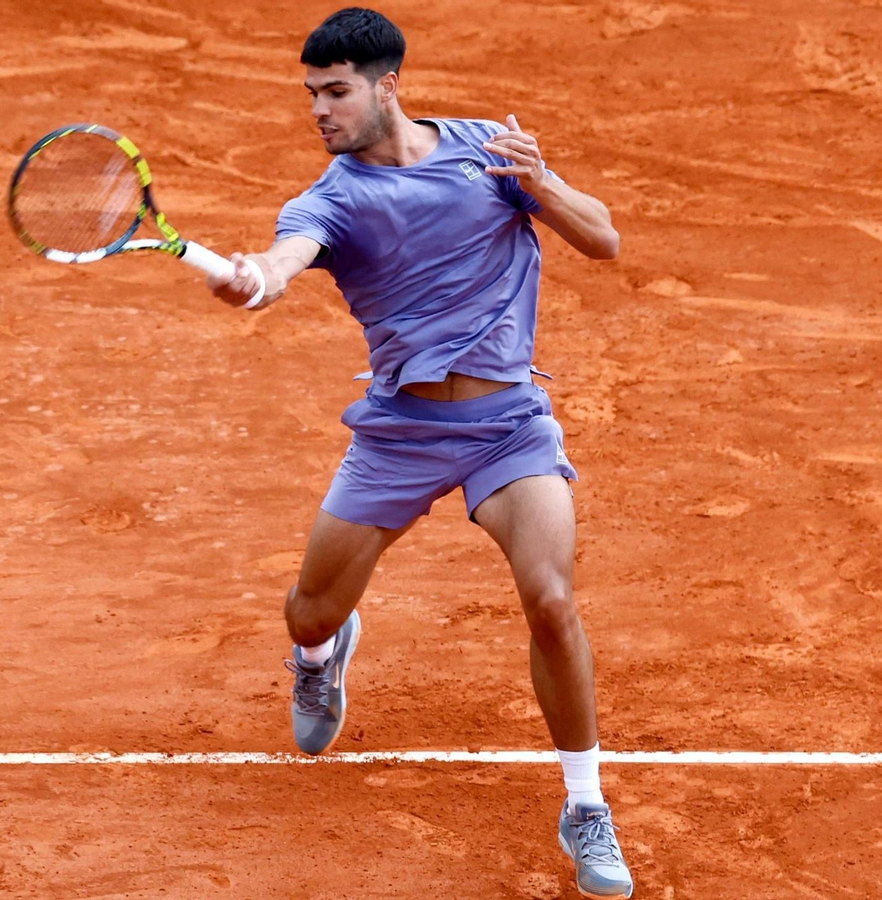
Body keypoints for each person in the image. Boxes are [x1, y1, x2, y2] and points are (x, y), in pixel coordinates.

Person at [206, 8, 631, 898]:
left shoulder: (487, 151)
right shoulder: (332, 198)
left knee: (551, 600)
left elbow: (604, 239)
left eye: (335, 91)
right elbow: (288, 260)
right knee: (309, 612)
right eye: (311, 95)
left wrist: (542, 183)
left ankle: (585, 802)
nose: (319, 110)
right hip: (400, 433)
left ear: (387, 85)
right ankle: (323, 658)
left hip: (509, 424)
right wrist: (258, 279)